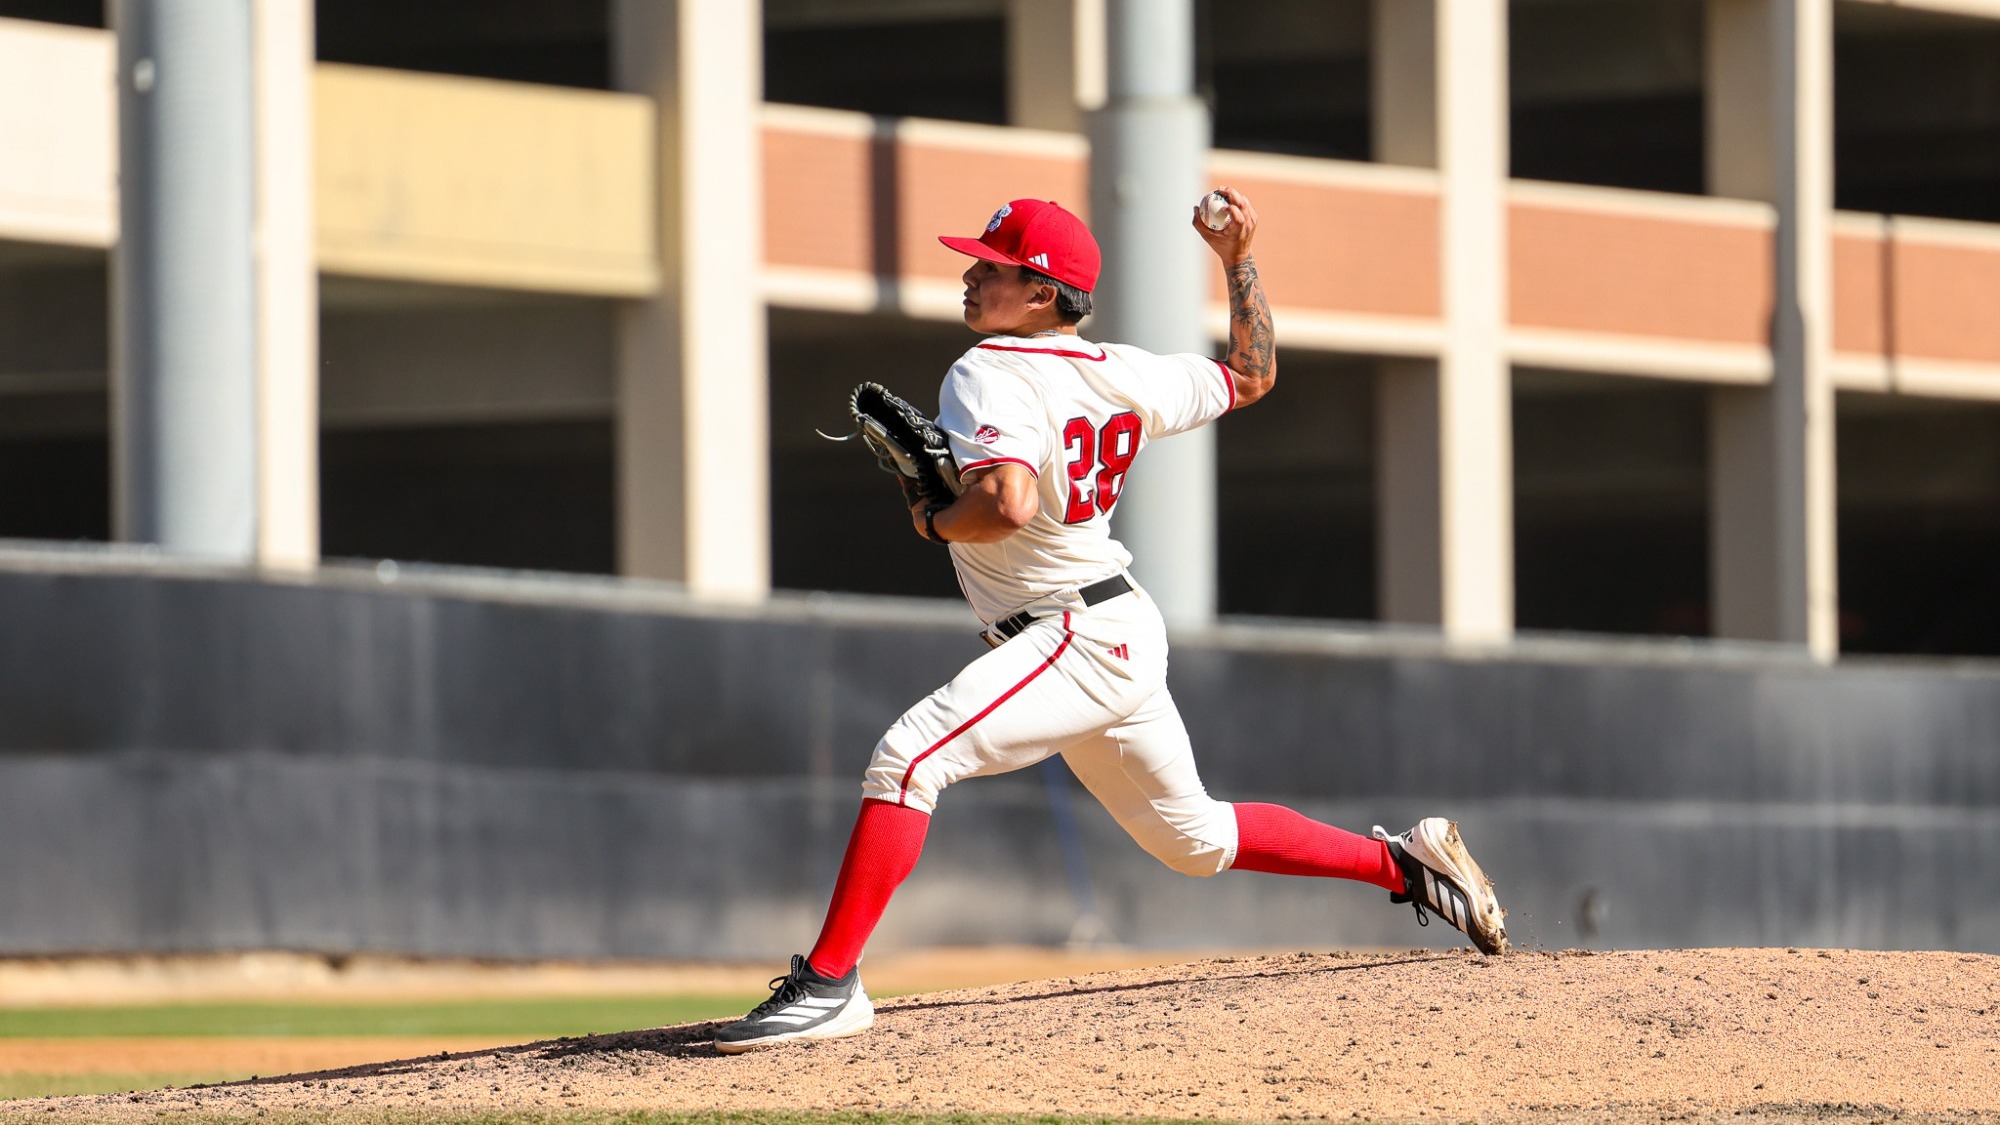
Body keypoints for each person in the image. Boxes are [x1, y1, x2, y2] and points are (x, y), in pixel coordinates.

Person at [715, 189, 1507, 1055]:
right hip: (1111, 626)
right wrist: (1238, 257)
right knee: (1194, 839)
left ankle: (830, 981)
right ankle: (1410, 866)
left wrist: (932, 518)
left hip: (1071, 633)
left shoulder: (987, 371)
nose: (971, 275)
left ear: (1043, 292)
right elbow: (1252, 373)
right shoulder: (1121, 370)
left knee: (907, 759)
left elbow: (1007, 504)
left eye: (993, 266)